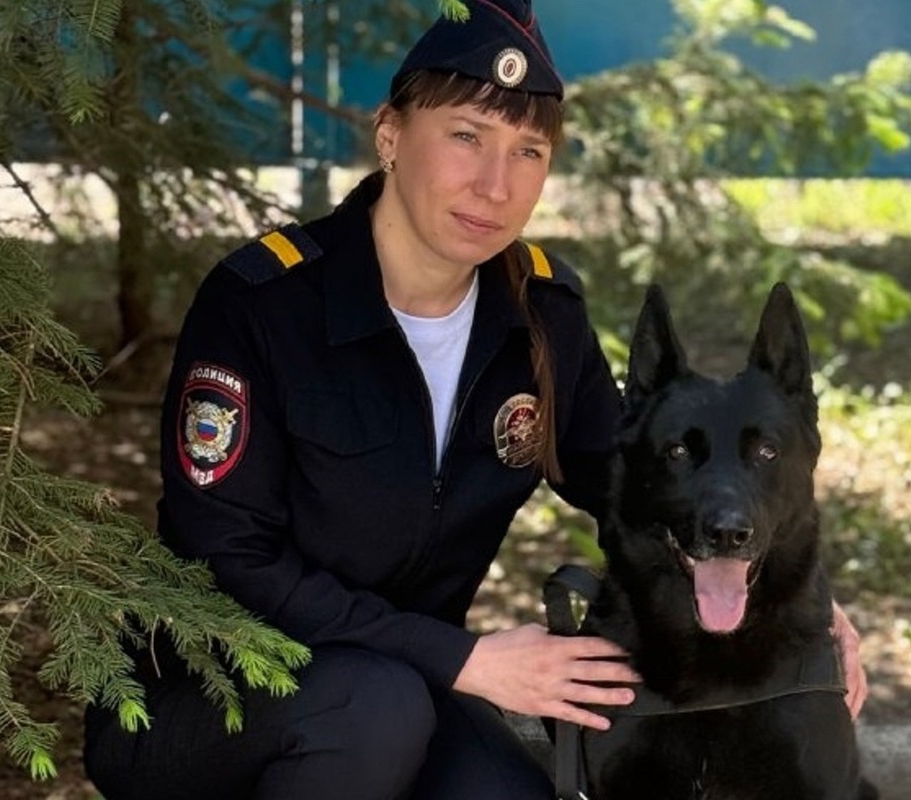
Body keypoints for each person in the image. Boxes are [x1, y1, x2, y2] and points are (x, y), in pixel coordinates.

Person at [82, 2, 866, 798]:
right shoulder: (264, 304)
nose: (495, 185)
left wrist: (796, 594)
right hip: (200, 696)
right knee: (371, 708)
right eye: (466, 136)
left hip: (409, 682)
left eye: (528, 151)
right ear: (390, 134)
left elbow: (639, 485)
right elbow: (227, 558)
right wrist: (465, 660)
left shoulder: (542, 312)